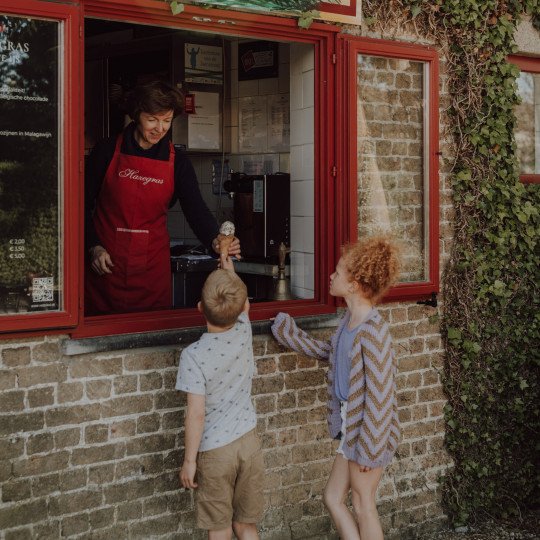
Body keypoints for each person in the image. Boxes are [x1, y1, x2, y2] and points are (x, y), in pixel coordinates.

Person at [271, 236, 401, 540]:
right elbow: (327, 351)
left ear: (354, 284)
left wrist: (370, 450)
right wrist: (287, 333)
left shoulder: (373, 331)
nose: (331, 276)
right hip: (350, 428)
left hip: (368, 434)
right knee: (332, 497)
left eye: (339, 273)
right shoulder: (348, 322)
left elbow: (382, 398)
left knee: (363, 503)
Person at [85, 80, 240, 315]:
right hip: (105, 269)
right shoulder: (106, 151)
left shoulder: (177, 161)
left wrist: (214, 240)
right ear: (137, 116)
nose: (160, 128)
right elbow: (79, 207)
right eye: (152, 120)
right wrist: (92, 246)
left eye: (167, 121)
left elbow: (195, 209)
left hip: (151, 273)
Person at [176, 253, 264, 540]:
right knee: (246, 525)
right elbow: (244, 302)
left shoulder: (193, 356)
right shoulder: (243, 330)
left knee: (220, 526)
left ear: (199, 307)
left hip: (215, 451)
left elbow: (196, 414)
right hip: (249, 443)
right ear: (240, 309)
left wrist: (190, 460)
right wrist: (231, 270)